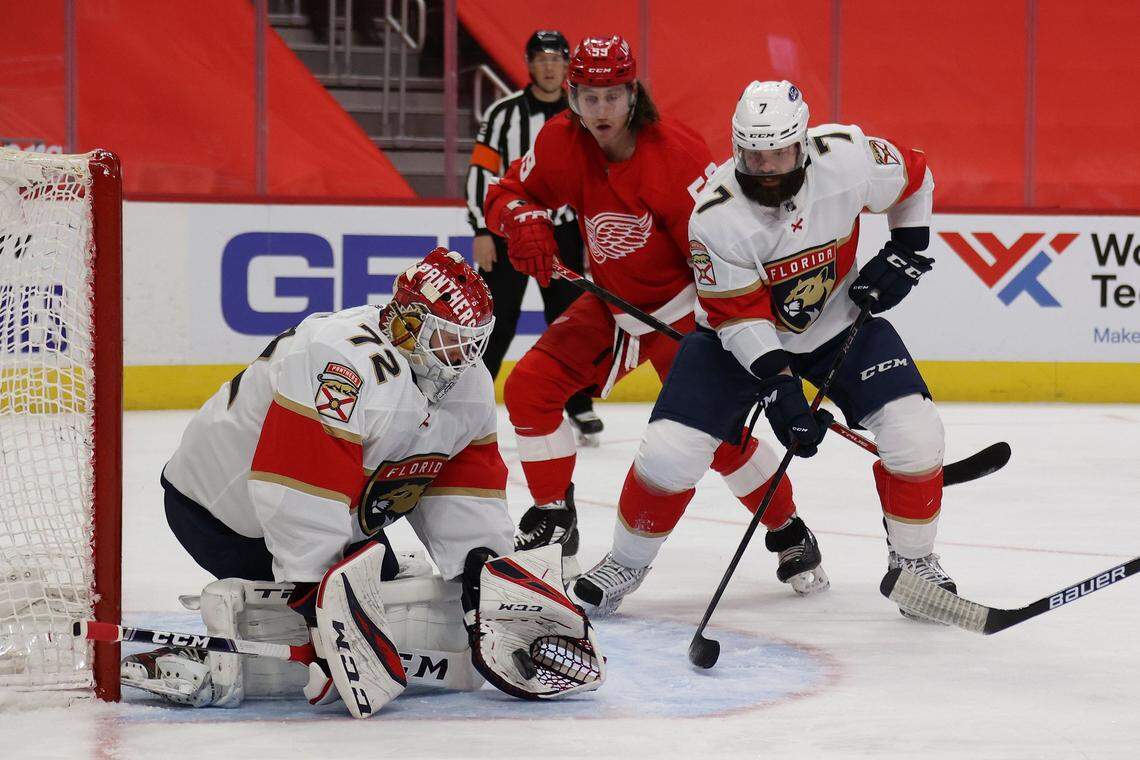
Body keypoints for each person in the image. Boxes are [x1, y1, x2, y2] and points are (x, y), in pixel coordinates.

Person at [121, 248, 604, 716]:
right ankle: (210, 663)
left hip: (337, 508)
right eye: (451, 338)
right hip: (221, 510)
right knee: (319, 630)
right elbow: (299, 483)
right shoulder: (341, 359)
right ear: (409, 324)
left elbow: (462, 480)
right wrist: (312, 591)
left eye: (473, 340)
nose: (465, 355)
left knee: (382, 609)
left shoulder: (464, 379)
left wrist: (479, 565)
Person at [573, 79, 948, 620]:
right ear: (736, 147)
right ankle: (626, 563)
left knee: (915, 433)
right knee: (668, 451)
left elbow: (916, 178)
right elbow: (740, 319)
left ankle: (915, 569)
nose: (766, 166)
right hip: (733, 342)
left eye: (777, 153)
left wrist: (907, 249)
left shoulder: (847, 157)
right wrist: (781, 389)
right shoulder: (716, 215)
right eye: (753, 155)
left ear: (801, 144)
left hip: (838, 324)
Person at [484, 37, 821, 602]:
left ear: (633, 93)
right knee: (529, 389)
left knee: (719, 440)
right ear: (572, 96)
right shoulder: (562, 141)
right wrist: (524, 223)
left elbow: (729, 247)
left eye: (612, 96)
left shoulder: (677, 157)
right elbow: (506, 192)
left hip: (687, 312)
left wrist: (739, 335)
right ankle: (553, 514)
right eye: (588, 97)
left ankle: (789, 529)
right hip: (612, 304)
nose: (600, 111)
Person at [465, 30, 603, 446]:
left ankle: (579, 403)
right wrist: (482, 229)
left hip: (563, 232)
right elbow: (481, 173)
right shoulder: (503, 114)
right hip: (508, 229)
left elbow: (598, 176)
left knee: (572, 321)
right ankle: (471, 406)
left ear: (567, 66)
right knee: (493, 321)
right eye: (541, 58)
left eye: (558, 59)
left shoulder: (583, 114)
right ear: (528, 64)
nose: (549, 66)